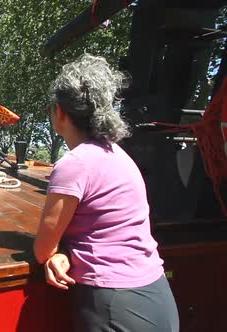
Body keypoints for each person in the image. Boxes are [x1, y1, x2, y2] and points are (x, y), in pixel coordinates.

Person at [33, 54, 179, 332]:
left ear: (60, 112)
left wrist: (58, 252)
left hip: (114, 305)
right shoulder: (119, 155)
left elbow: (42, 250)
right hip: (156, 295)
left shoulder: (73, 164)